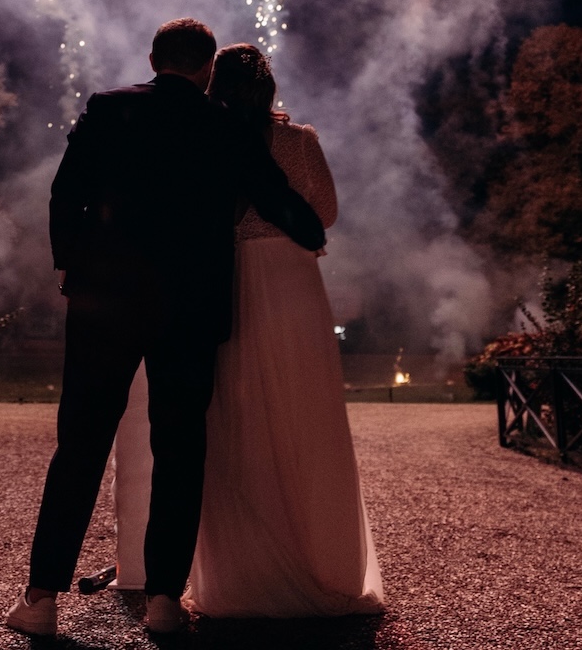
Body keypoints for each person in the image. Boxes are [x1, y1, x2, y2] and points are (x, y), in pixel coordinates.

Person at [6, 19, 326, 638]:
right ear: (208, 69)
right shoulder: (227, 125)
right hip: (191, 307)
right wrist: (312, 235)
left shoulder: (108, 108)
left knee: (80, 446)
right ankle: (163, 601)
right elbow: (274, 193)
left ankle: (41, 598)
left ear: (153, 58)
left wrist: (73, 268)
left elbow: (64, 193)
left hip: (106, 304)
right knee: (179, 451)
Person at [113, 44, 384, 618]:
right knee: (305, 416)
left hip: (228, 275)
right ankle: (323, 560)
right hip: (290, 279)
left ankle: (240, 573)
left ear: (215, 85)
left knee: (234, 419)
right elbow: (326, 212)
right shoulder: (299, 141)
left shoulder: (204, 135)